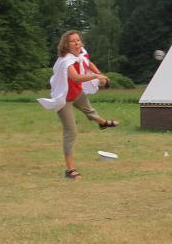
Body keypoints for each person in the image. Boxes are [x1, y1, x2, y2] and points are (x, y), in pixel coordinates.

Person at [38, 31, 119, 179]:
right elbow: (75, 78)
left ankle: (103, 123)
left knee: (89, 110)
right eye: (72, 41)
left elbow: (89, 63)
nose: (77, 43)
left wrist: (101, 74)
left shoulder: (81, 53)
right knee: (71, 132)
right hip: (65, 98)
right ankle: (70, 170)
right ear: (66, 45)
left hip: (77, 93)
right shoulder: (66, 61)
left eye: (78, 40)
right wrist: (96, 76)